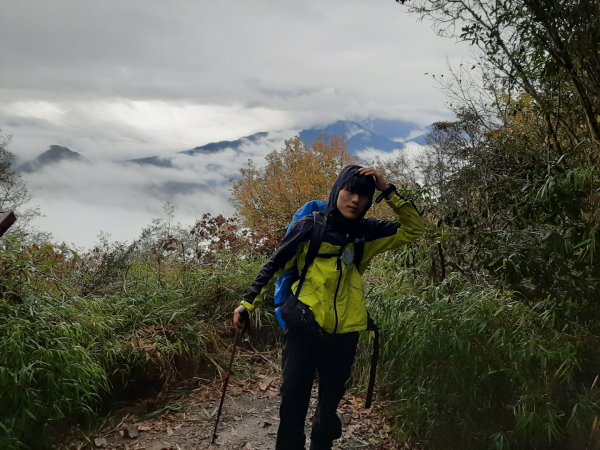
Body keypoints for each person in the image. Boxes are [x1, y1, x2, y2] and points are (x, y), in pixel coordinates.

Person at [233, 165, 425, 450]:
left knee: (328, 407)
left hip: (345, 335)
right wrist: (247, 304)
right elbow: (275, 265)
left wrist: (387, 189)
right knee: (293, 404)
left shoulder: (367, 233)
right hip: (304, 327)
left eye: (363, 195)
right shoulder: (310, 227)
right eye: (350, 192)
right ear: (338, 190)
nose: (355, 200)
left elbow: (415, 228)